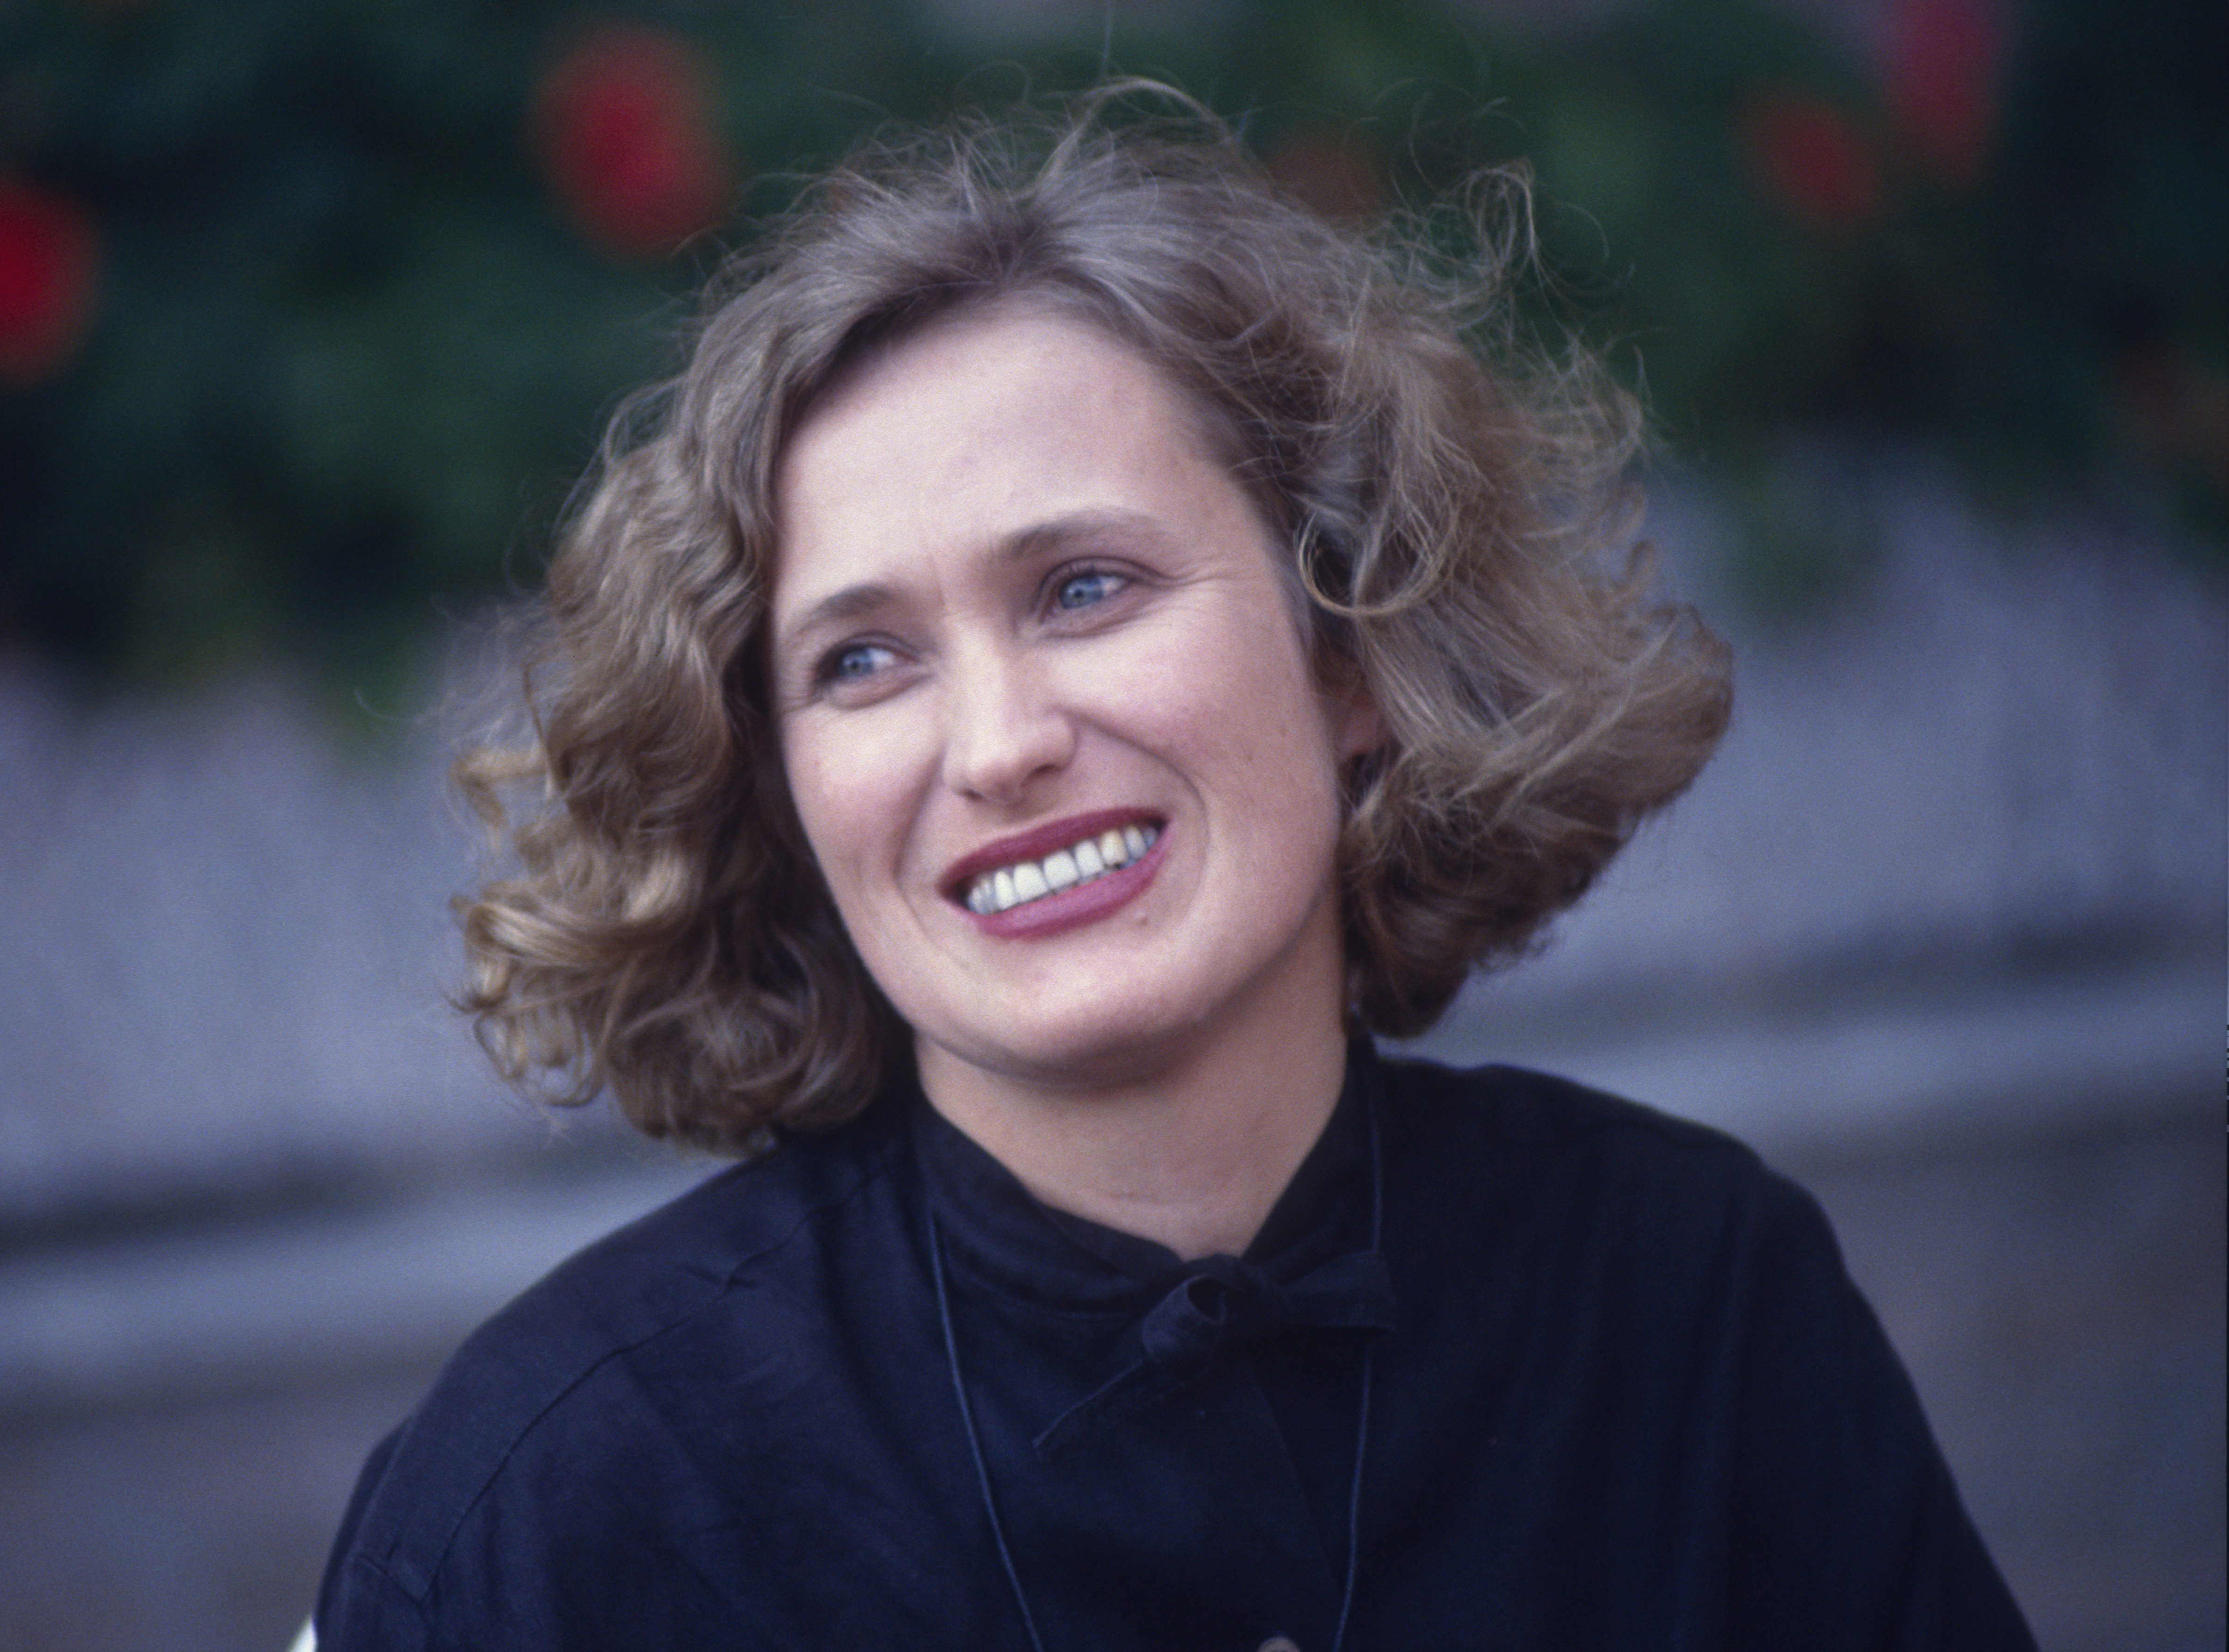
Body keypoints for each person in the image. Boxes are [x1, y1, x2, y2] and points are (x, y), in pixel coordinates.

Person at [312, 88, 2034, 1651]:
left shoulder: (1695, 1296)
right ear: (779, 794)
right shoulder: (555, 1495)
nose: (995, 744)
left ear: (1356, 651)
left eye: (1083, 589)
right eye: (861, 660)